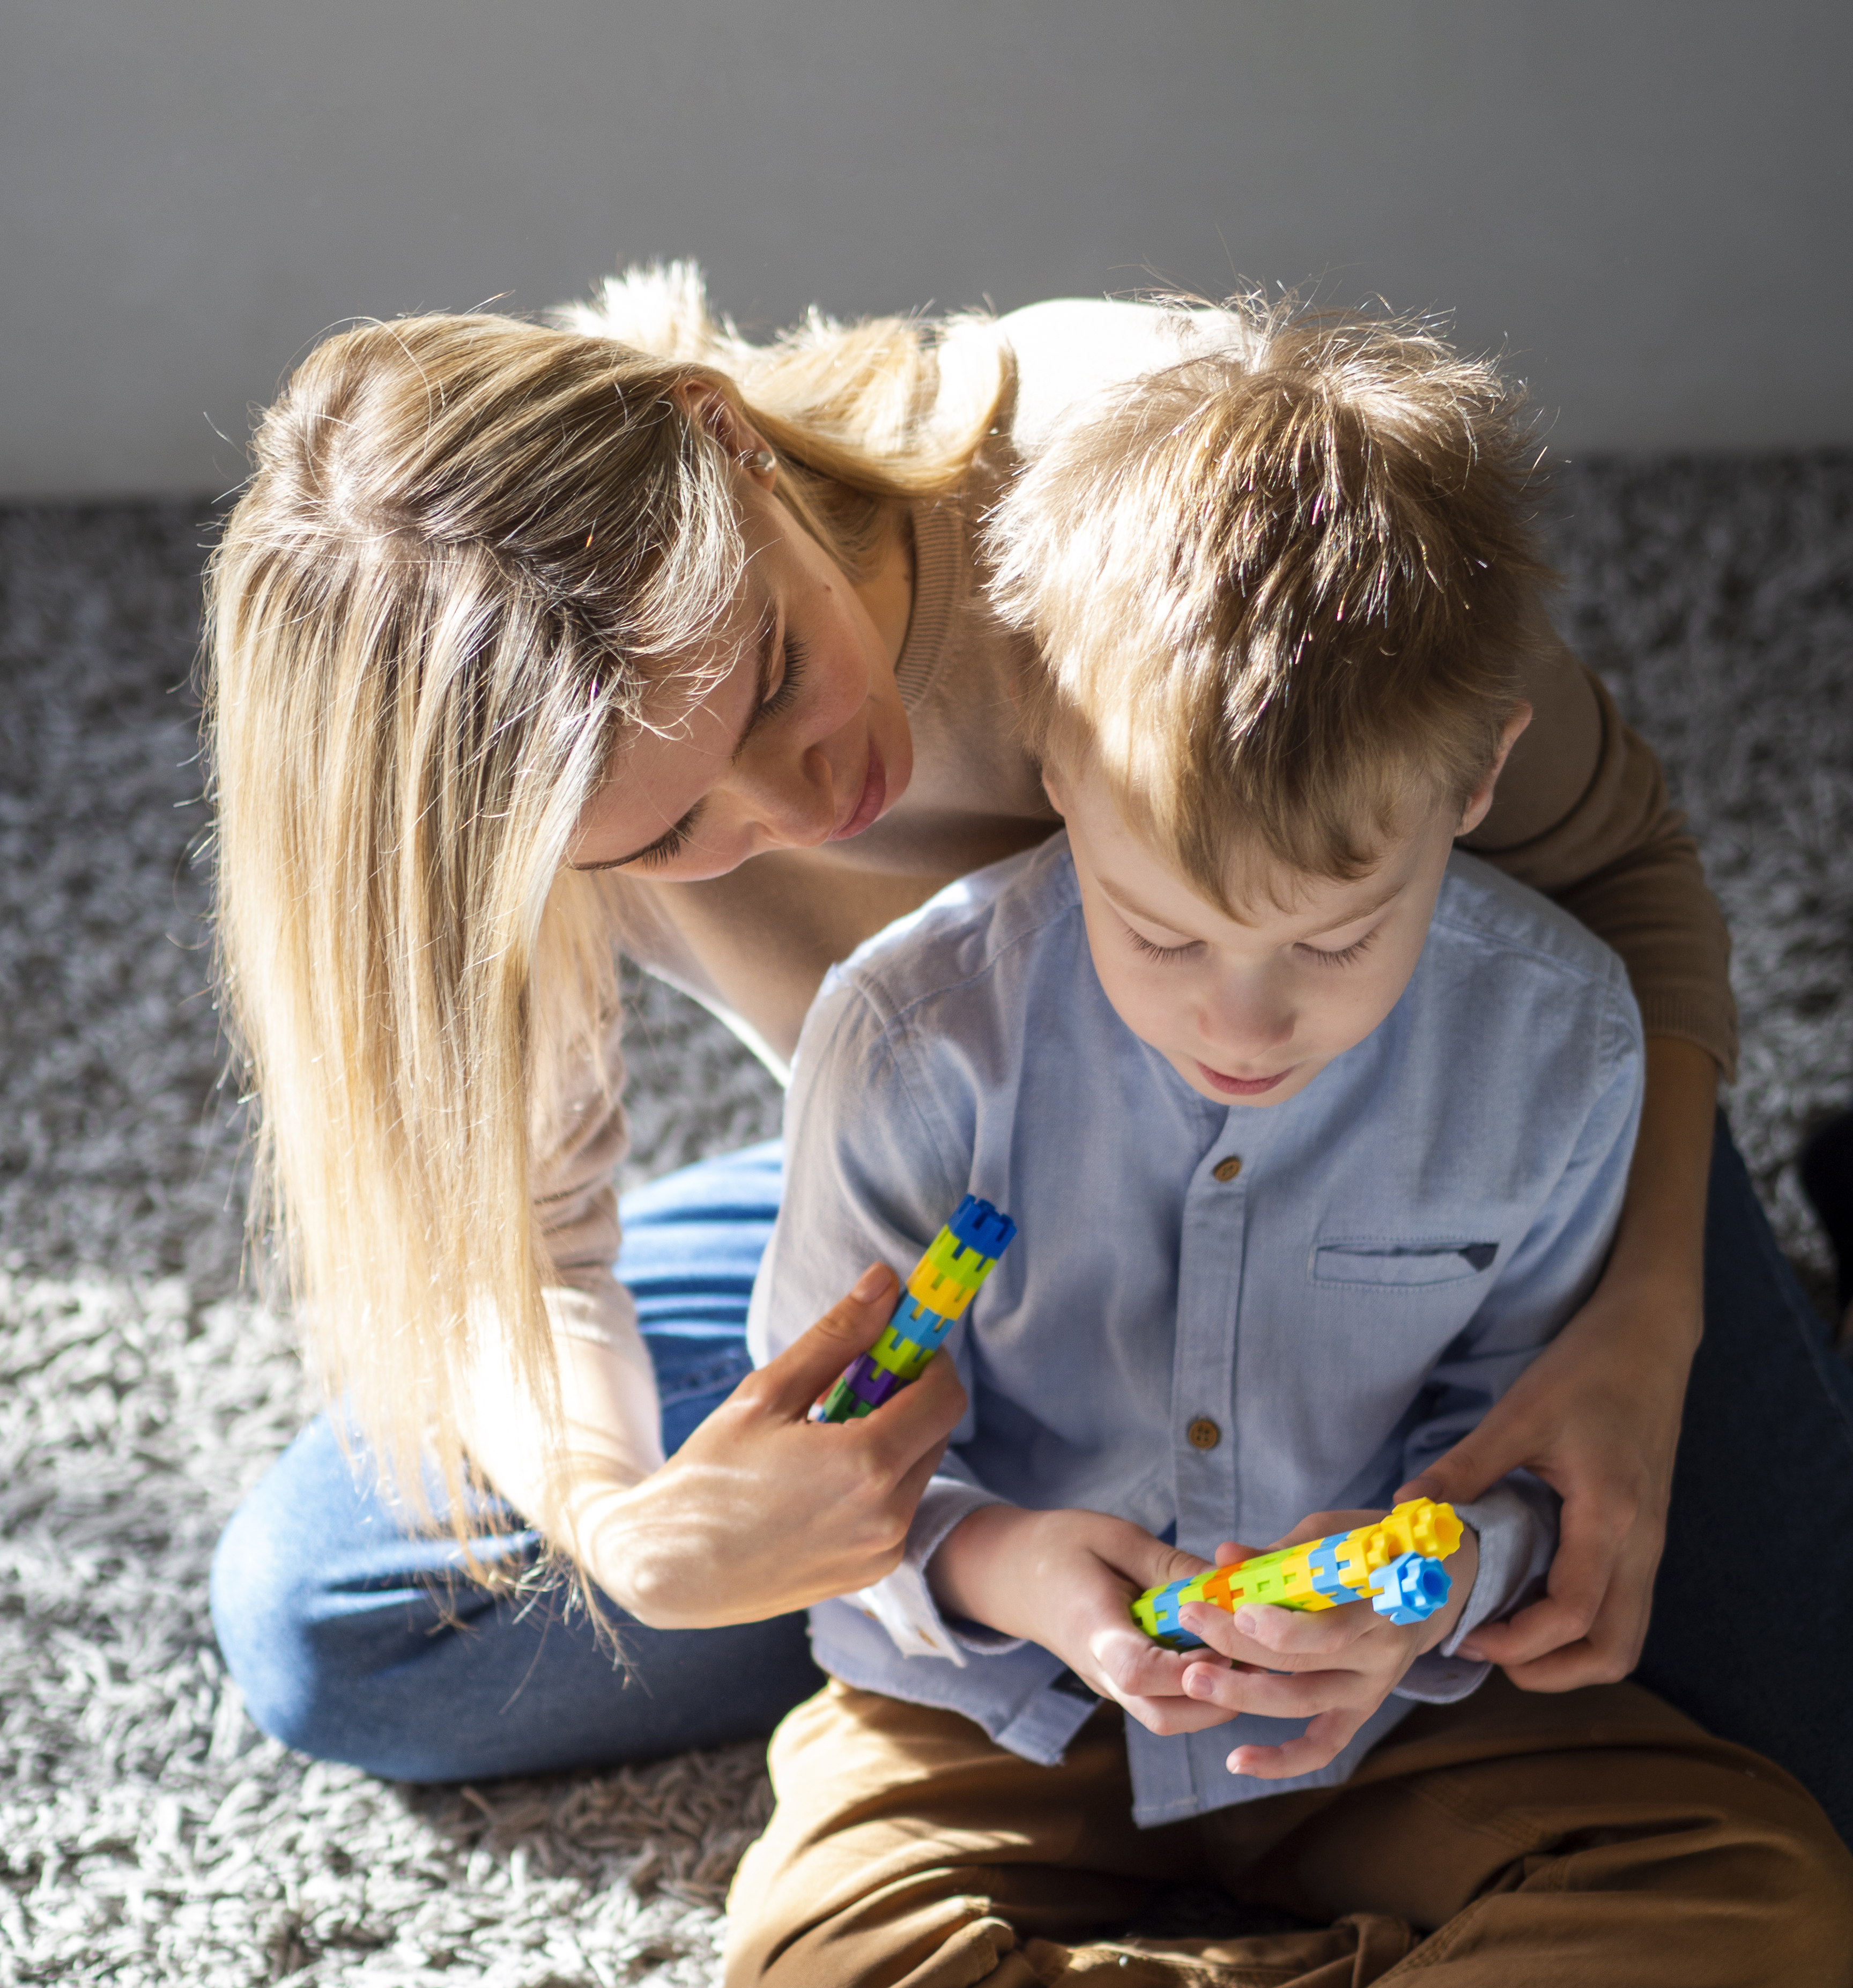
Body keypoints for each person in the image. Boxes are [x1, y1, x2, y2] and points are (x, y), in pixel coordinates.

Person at [205, 266, 1852, 1834]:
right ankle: (1025, 1565)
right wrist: (634, 1531)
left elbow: (1628, 871)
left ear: (726, 437)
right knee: (338, 1621)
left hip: (1447, 1196)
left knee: (1795, 1754)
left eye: (774, 676)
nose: (797, 807)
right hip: (974, 1197)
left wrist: (1650, 1314)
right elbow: (536, 1250)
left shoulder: (1159, 468)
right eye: (665, 835)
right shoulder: (512, 800)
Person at [717, 321, 1853, 1988]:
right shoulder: (916, 1038)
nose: (1250, 1020)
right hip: (1004, 1715)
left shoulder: (1559, 1048)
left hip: (1383, 1733)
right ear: (1052, 756)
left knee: (1776, 1895)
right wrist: (1014, 1567)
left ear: (1482, 779)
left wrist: (1437, 1589)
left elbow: (1523, 1459)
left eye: (1343, 940)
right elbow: (849, 1494)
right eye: (1160, 935)